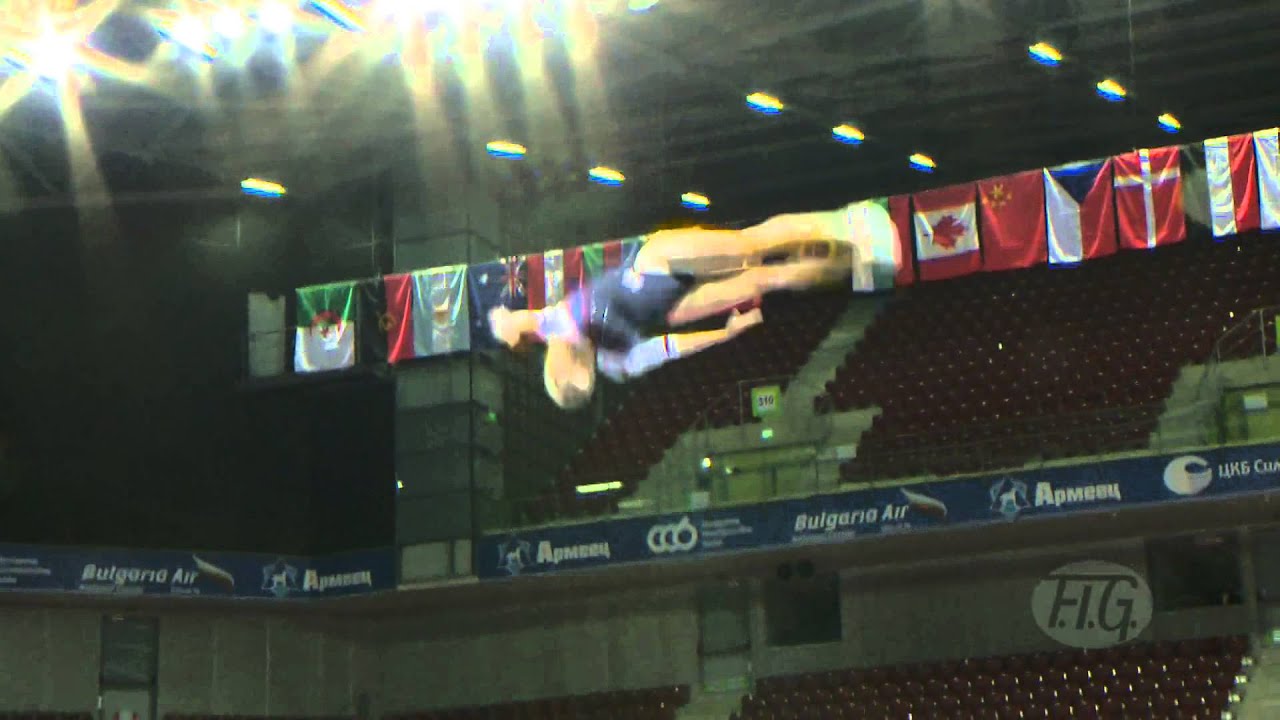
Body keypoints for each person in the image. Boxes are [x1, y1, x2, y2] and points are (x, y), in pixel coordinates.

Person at [488, 201, 900, 409]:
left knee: (748, 248)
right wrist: (725, 333)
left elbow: (506, 319)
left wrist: (504, 326)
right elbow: (673, 347)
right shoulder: (619, 362)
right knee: (767, 278)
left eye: (571, 364)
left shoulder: (553, 323)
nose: (581, 360)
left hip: (655, 262)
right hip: (670, 307)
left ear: (558, 362)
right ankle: (854, 261)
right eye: (585, 372)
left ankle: (846, 222)